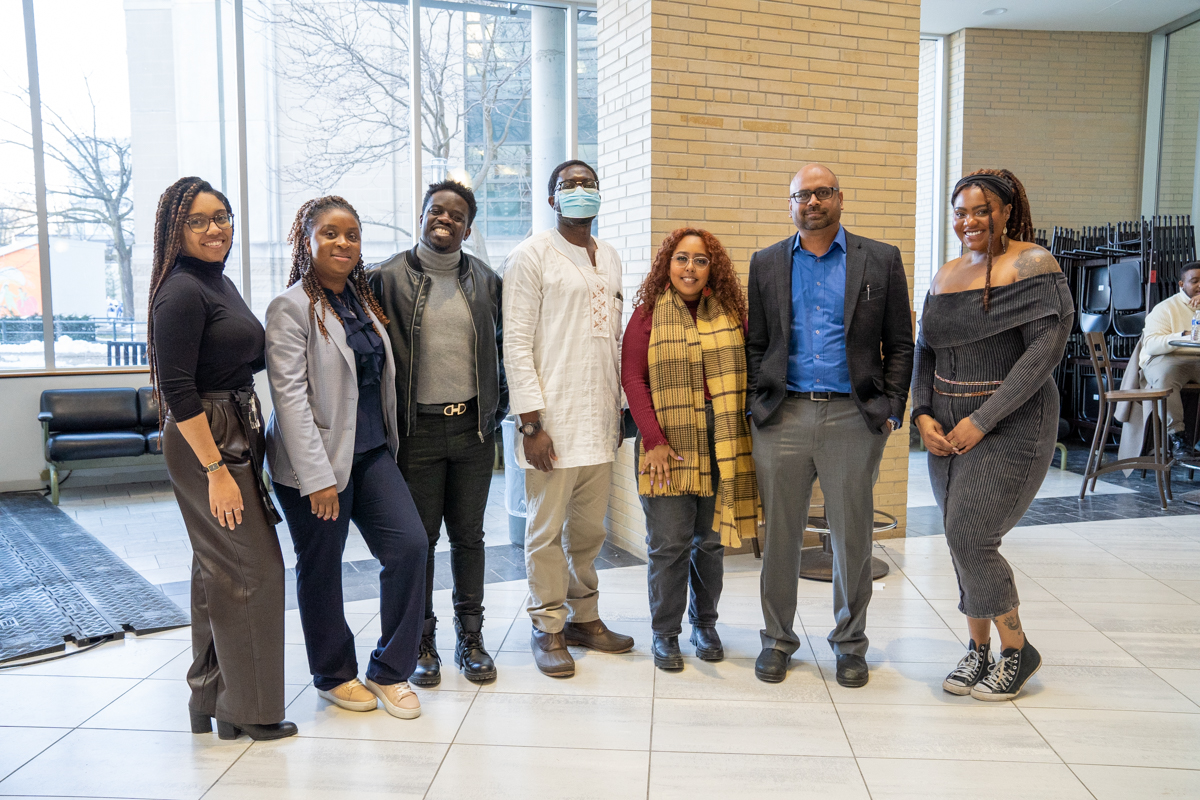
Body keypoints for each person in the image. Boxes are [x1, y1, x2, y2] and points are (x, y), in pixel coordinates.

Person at [747, 163, 914, 687]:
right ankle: (776, 640)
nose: (811, 202)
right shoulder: (767, 262)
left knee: (851, 538)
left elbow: (902, 344)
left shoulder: (880, 260)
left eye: (821, 193)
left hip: (851, 415)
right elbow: (757, 343)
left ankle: (850, 645)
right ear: (790, 203)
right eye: (802, 195)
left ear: (840, 198)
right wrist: (759, 402)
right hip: (784, 415)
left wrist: (889, 408)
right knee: (781, 537)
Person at [265, 196, 428, 719]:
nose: (342, 243)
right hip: (311, 464)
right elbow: (288, 398)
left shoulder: (361, 299)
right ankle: (334, 674)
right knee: (321, 566)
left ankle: (390, 670)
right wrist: (316, 477)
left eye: (352, 235)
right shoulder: (290, 307)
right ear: (306, 240)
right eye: (330, 233)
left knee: (410, 546)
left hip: (371, 452)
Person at [912, 169, 1073, 701]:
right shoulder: (944, 275)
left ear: (1006, 211)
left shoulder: (1032, 264)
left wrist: (983, 420)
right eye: (961, 211)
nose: (970, 221)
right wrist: (923, 415)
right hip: (947, 426)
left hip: (1011, 422)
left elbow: (1044, 352)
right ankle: (977, 650)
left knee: (971, 535)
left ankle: (1016, 651)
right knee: (960, 540)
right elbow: (925, 351)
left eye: (982, 210)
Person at [147, 176, 294, 741]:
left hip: (231, 426)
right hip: (206, 439)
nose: (216, 229)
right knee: (255, 572)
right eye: (199, 220)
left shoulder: (216, 281)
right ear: (175, 230)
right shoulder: (181, 291)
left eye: (223, 216)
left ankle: (209, 698)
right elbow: (178, 391)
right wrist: (216, 472)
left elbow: (234, 359)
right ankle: (248, 710)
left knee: (218, 571)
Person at [367, 180, 506, 686]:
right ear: (421, 217)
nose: (443, 219)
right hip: (416, 433)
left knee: (469, 537)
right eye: (434, 211)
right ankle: (421, 640)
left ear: (468, 227)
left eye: (455, 214)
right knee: (421, 541)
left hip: (471, 431)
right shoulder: (383, 279)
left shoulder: (489, 282)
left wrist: (494, 412)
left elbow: (502, 355)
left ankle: (471, 638)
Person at [502, 159, 634, 677]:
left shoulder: (611, 257)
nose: (581, 191)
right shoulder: (531, 256)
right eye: (569, 185)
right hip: (550, 427)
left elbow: (615, 341)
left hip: (599, 422)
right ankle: (547, 625)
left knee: (586, 535)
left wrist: (619, 414)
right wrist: (531, 424)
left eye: (589, 184)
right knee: (544, 533)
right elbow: (515, 343)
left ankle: (584, 617)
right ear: (552, 199)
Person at [622, 228, 759, 671]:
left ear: (711, 268)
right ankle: (666, 634)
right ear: (668, 263)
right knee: (669, 543)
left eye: (700, 261)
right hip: (668, 443)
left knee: (711, 543)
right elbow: (633, 380)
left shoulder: (732, 314)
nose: (690, 268)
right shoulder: (647, 315)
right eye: (682, 258)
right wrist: (654, 440)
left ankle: (705, 624)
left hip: (723, 440)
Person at [1139, 261, 1200, 461]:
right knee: (1166, 376)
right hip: (1167, 358)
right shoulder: (1165, 308)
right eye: (1195, 281)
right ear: (1182, 285)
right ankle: (1178, 438)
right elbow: (1151, 345)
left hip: (1197, 359)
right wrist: (1184, 335)